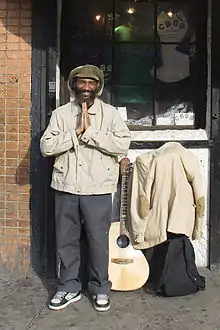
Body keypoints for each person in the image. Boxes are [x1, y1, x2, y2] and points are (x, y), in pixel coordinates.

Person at [40, 64, 131, 312]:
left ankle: (100, 288)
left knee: (97, 242)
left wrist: (90, 134)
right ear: (74, 85)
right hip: (66, 186)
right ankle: (69, 286)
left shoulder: (110, 114)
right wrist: (74, 133)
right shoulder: (60, 114)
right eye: (82, 83)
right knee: (66, 241)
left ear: (98, 87)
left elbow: (122, 143)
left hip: (98, 188)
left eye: (92, 83)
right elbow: (46, 147)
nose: (86, 88)